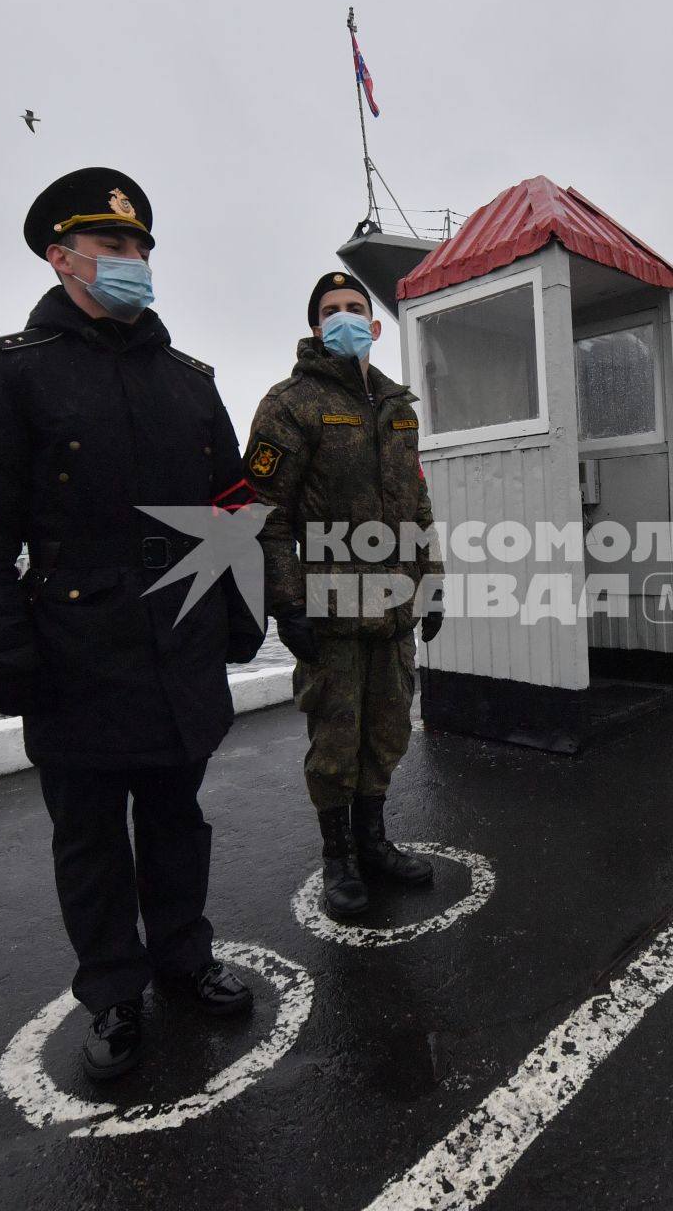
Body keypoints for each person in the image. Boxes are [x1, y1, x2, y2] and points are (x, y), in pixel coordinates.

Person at [0, 168, 263, 1081]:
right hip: (72, 650)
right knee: (88, 838)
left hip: (181, 639)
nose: (134, 263)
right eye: (115, 247)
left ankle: (184, 960)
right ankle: (113, 992)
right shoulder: (6, 374)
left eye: (142, 248)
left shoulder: (189, 383)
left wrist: (240, 618)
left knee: (176, 820)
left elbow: (232, 513)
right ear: (63, 256)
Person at [246, 271, 443, 920]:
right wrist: (288, 603)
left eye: (355, 309)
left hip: (394, 609)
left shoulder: (398, 407)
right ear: (314, 329)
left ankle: (374, 842)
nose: (344, 319)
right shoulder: (290, 405)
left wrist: (432, 582)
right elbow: (262, 514)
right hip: (329, 611)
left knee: (386, 731)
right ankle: (338, 862)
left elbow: (418, 502)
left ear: (376, 326)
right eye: (330, 311)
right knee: (335, 741)